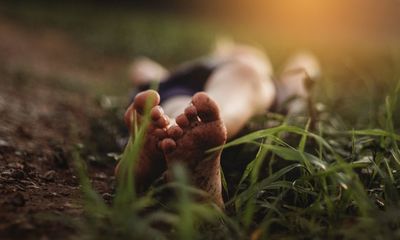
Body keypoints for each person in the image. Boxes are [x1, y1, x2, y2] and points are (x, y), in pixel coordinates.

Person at [116, 39, 320, 209]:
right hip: (181, 87)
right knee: (176, 109)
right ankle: (172, 135)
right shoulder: (205, 65)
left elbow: (303, 70)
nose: (243, 50)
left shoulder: (261, 75)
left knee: (239, 80)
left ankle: (173, 136)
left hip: (232, 87)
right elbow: (143, 68)